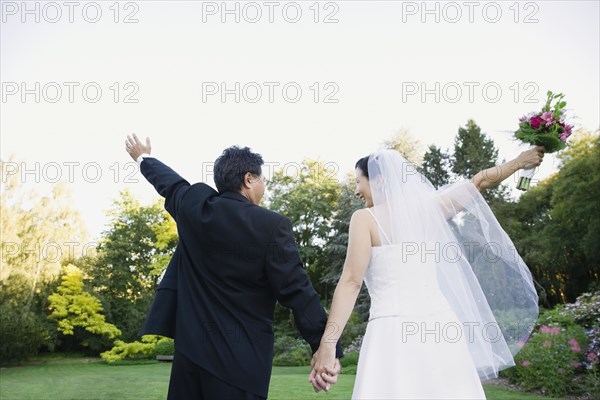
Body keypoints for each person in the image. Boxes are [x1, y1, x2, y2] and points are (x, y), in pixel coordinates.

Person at [309, 146, 545, 399]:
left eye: (358, 181)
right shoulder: (430, 211)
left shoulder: (365, 219)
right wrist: (520, 161)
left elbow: (351, 282)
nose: (356, 190)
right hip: (442, 329)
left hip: (392, 331)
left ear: (379, 180)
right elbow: (479, 181)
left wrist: (328, 344)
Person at [124, 134, 342, 400]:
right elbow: (298, 291)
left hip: (190, 363)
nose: (264, 187)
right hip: (240, 367)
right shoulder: (271, 226)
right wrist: (325, 345)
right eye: (262, 180)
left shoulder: (195, 209)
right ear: (249, 179)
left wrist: (143, 158)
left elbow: (171, 184)